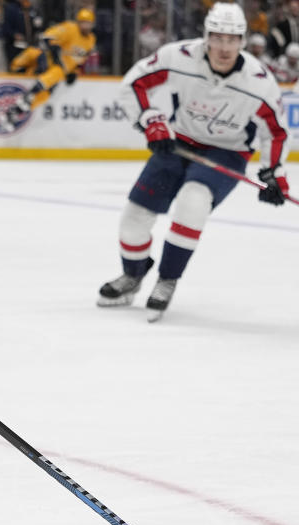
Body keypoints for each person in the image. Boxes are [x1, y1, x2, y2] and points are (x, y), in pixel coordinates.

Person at [96, 3, 289, 321]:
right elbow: (134, 83)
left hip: (226, 152)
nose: (224, 47)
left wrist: (273, 173)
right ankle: (132, 275)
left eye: (232, 39)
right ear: (206, 37)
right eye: (218, 38)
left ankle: (167, 279)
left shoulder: (258, 80)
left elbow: (277, 132)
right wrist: (150, 119)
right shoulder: (179, 56)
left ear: (242, 40)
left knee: (193, 201)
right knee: (134, 218)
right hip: (178, 144)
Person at [1, 7, 95, 132]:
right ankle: (28, 95)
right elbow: (47, 36)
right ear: (78, 22)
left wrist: (74, 72)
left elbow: (80, 60)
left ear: (92, 24)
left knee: (45, 96)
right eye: (82, 22)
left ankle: (15, 112)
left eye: (87, 23)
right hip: (49, 60)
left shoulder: (91, 40)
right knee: (57, 72)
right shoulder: (70, 28)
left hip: (63, 69)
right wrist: (54, 48)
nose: (85, 25)